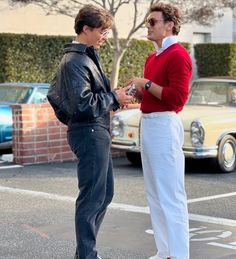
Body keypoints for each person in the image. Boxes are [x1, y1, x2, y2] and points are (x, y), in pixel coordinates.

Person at [49, 4, 133, 259]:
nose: (105, 37)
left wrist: (115, 99)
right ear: (86, 29)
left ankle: (85, 254)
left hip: (95, 130)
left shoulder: (84, 56)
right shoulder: (75, 60)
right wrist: (113, 97)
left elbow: (73, 98)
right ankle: (87, 255)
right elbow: (83, 104)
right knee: (92, 198)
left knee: (104, 194)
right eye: (102, 31)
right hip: (89, 132)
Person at [127, 2, 192, 259]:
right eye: (148, 21)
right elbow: (153, 96)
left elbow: (177, 99)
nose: (148, 26)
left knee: (171, 194)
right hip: (150, 123)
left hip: (165, 125)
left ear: (169, 25)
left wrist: (148, 83)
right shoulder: (152, 57)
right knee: (154, 193)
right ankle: (164, 251)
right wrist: (137, 91)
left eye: (153, 21)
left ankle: (178, 255)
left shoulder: (178, 55)